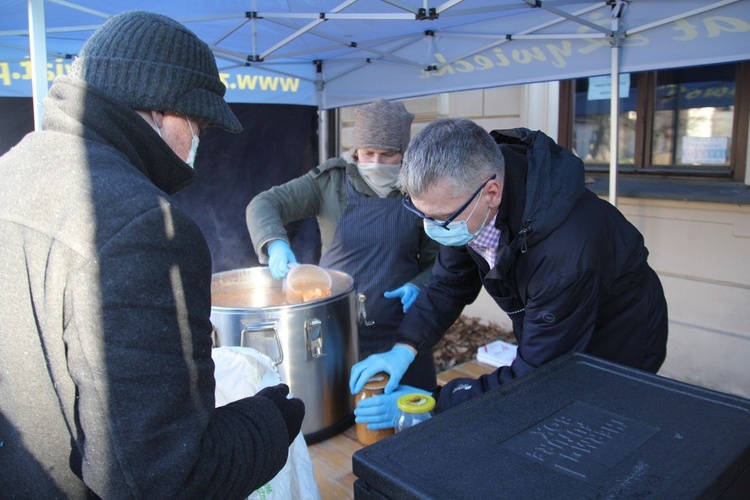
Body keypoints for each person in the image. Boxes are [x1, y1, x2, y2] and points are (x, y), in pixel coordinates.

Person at [0, 11, 304, 498]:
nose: (198, 143)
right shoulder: (143, 225)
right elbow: (163, 478)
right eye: (199, 125)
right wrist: (267, 423)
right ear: (162, 109)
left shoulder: (11, 173)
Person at [350, 118, 668, 429]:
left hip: (620, 340)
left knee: (593, 424)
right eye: (423, 215)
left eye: (441, 219)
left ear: (492, 193)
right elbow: (448, 286)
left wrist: (436, 403)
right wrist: (403, 348)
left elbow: (538, 376)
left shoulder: (564, 255)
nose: (432, 230)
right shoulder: (464, 205)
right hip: (554, 323)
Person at [246, 99, 440, 390]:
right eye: (368, 152)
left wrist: (419, 284)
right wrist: (274, 243)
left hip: (402, 335)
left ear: (404, 153)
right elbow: (264, 204)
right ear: (356, 150)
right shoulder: (331, 182)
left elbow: (437, 262)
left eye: (388, 154)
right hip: (334, 332)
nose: (375, 162)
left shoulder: (419, 190)